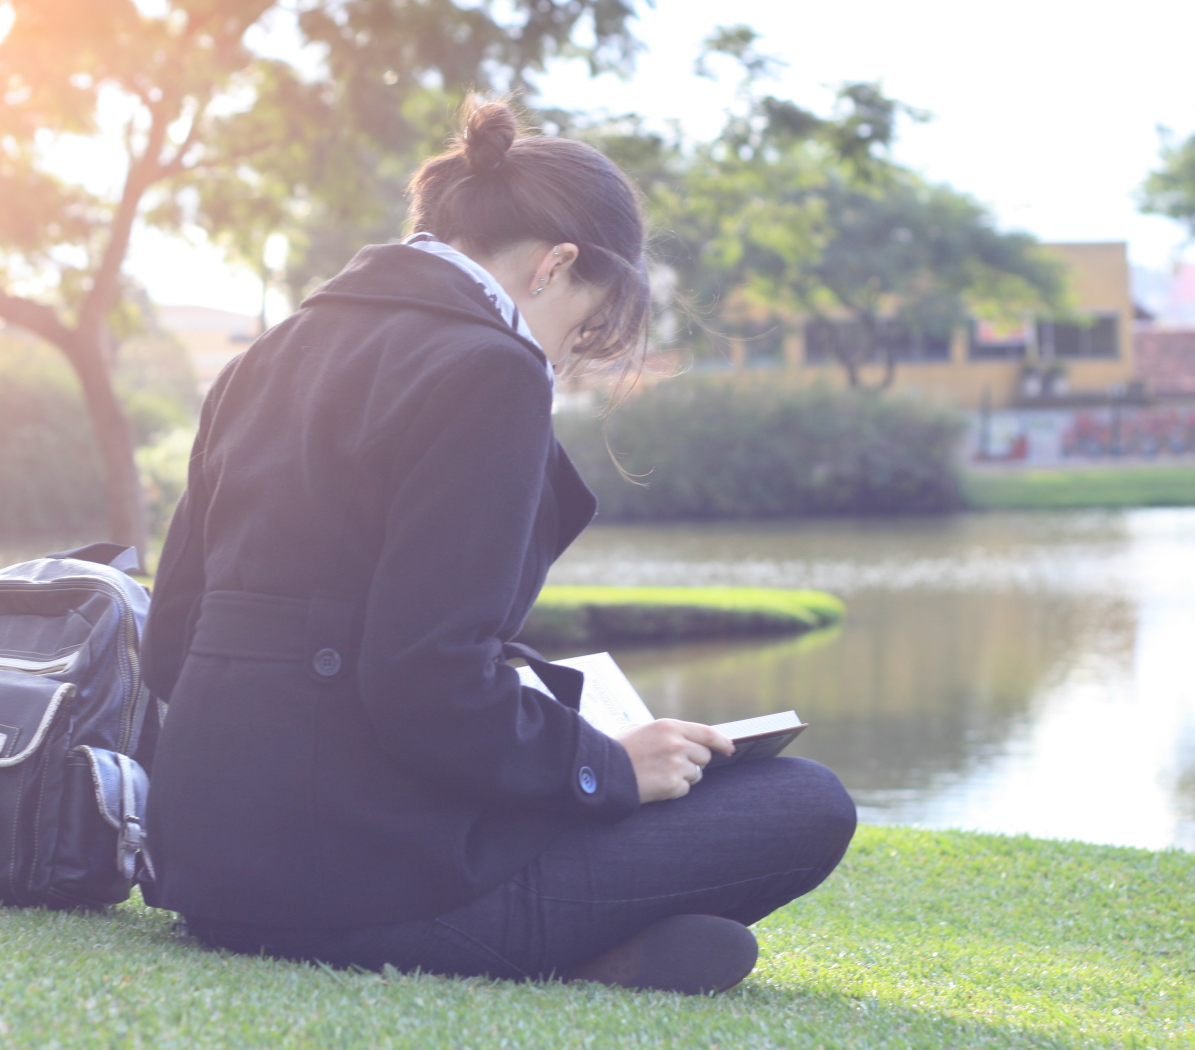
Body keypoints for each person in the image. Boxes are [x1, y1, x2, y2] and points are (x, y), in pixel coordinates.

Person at [141, 100, 855, 995]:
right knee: (802, 802)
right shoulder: (490, 367)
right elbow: (424, 681)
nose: (565, 354)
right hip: (359, 890)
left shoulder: (266, 355)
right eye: (583, 325)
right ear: (554, 265)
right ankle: (562, 953)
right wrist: (606, 767)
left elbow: (169, 647)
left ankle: (600, 952)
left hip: (211, 877)